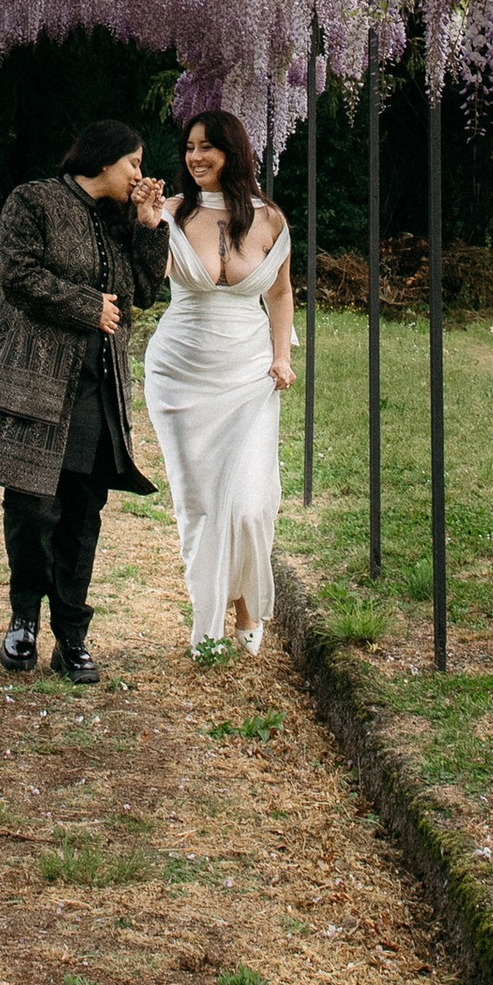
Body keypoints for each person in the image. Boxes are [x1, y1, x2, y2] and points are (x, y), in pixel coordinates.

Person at [0, 118, 169, 681]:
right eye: (133, 162)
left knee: (81, 513)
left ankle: (72, 637)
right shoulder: (32, 200)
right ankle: (23, 622)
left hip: (93, 389)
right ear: (104, 160)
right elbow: (17, 274)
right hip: (34, 381)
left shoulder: (116, 221)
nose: (140, 174)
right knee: (32, 507)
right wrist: (87, 307)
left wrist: (149, 227)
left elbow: (144, 292)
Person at [141, 107, 293, 654]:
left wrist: (282, 356)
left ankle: (248, 607)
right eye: (189, 147)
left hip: (249, 373)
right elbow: (144, 284)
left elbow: (279, 291)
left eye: (207, 146)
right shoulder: (172, 214)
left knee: (251, 503)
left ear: (233, 152)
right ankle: (208, 621)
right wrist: (146, 226)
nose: (196, 157)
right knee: (201, 505)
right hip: (180, 375)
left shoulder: (269, 218)